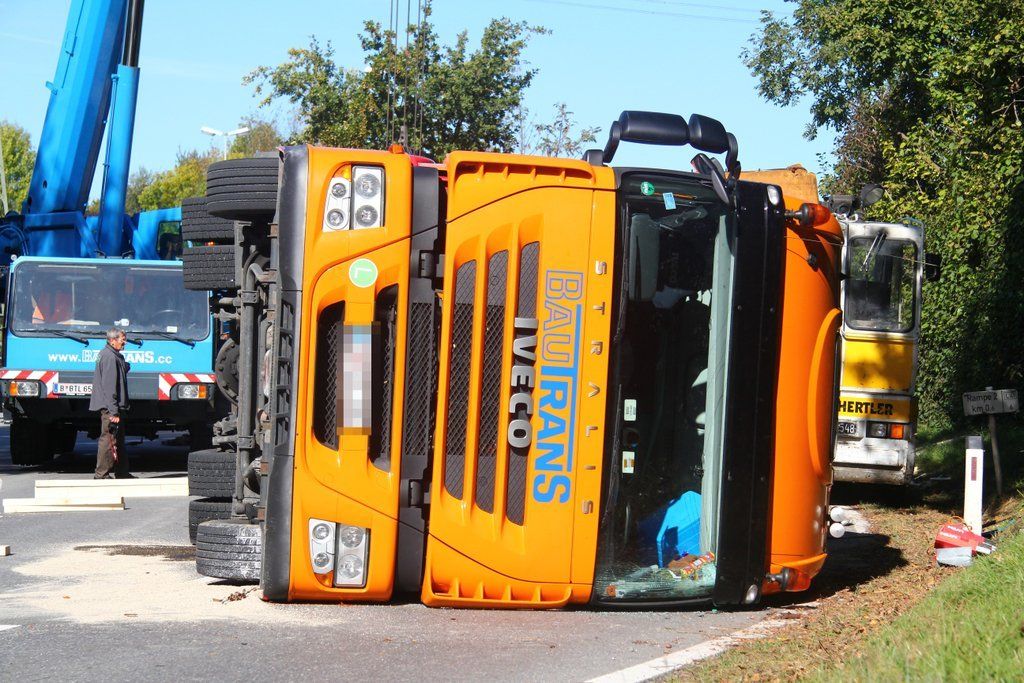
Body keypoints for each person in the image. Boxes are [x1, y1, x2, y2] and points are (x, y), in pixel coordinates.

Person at [89, 327, 133, 479]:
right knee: (108, 440)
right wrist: (113, 411)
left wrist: (124, 367)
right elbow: (109, 387)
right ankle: (101, 474)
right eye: (122, 339)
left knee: (118, 440)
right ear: (113, 340)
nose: (125, 342)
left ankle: (122, 472)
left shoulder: (111, 355)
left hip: (113, 406)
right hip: (110, 408)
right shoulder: (109, 357)